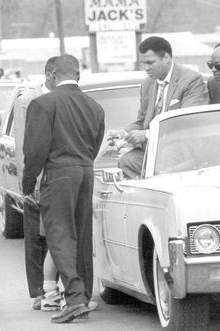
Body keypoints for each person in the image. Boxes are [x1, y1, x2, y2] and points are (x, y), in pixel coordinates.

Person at [22, 54, 105, 323]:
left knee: (59, 236)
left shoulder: (43, 104)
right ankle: (83, 296)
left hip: (58, 173)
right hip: (85, 170)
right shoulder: (95, 107)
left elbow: (34, 150)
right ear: (77, 75)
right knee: (82, 236)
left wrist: (27, 183)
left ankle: (75, 298)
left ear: (53, 75)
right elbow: (95, 143)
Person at [116, 36, 209, 179]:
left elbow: (189, 122)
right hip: (154, 148)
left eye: (150, 62)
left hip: (183, 144)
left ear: (166, 57)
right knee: (126, 162)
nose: (146, 68)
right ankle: (147, 197)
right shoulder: (148, 84)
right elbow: (142, 121)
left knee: (166, 160)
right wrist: (123, 133)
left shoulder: (191, 80)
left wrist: (147, 135)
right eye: (143, 63)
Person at [13, 56, 57, 310]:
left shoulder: (63, 97)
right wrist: (27, 183)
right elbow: (22, 144)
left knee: (55, 237)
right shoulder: (28, 101)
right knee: (36, 238)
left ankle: (54, 289)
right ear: (50, 75)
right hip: (36, 178)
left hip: (57, 178)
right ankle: (40, 292)